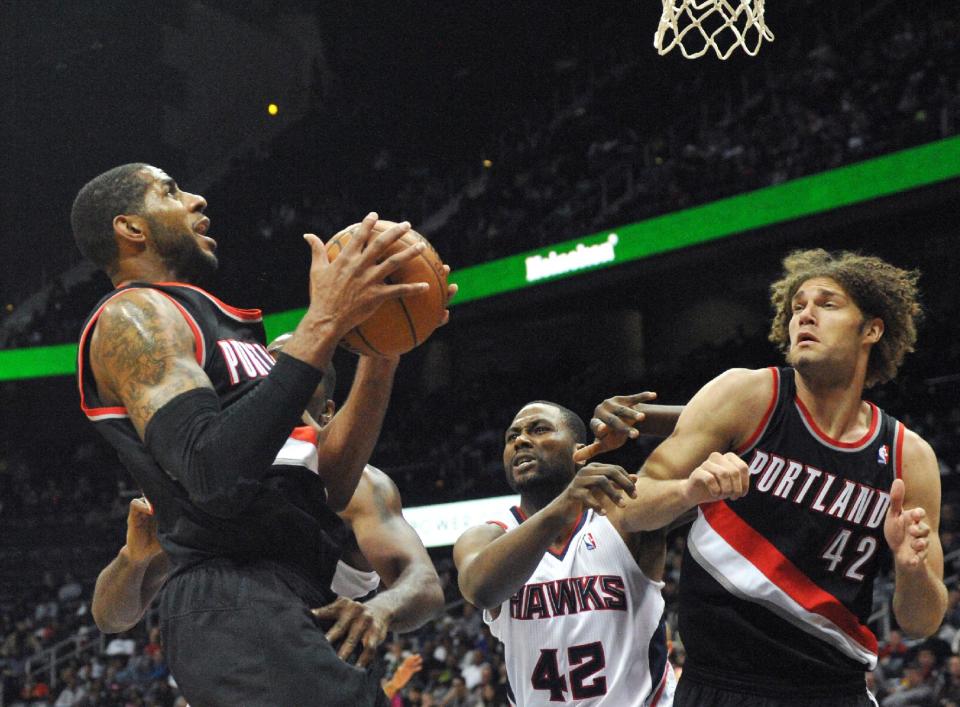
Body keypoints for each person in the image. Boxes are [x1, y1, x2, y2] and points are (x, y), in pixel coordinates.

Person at [72, 162, 454, 706]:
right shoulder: (133, 315)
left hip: (300, 591)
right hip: (236, 594)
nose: (199, 199)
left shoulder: (218, 327)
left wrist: (381, 351)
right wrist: (325, 319)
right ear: (130, 228)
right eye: (171, 190)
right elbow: (214, 475)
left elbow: (331, 485)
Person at [577, 249, 946, 706]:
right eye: (797, 307)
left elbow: (921, 622)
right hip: (720, 686)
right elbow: (628, 506)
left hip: (834, 691)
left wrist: (911, 571)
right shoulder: (749, 395)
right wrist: (688, 491)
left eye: (826, 304)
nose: (805, 315)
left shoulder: (909, 458)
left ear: (871, 329)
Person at [92, 350, 445, 667]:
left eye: (301, 369)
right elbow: (110, 618)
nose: (279, 376)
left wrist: (379, 609)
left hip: (315, 680)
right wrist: (133, 559)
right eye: (265, 365)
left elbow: (424, 583)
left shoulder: (361, 486)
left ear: (326, 412)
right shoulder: (208, 479)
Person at [453, 399, 681, 706]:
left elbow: (738, 437)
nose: (520, 440)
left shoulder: (623, 514)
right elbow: (480, 590)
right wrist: (563, 505)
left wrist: (645, 420)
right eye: (512, 436)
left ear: (580, 451)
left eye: (539, 429)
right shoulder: (487, 536)